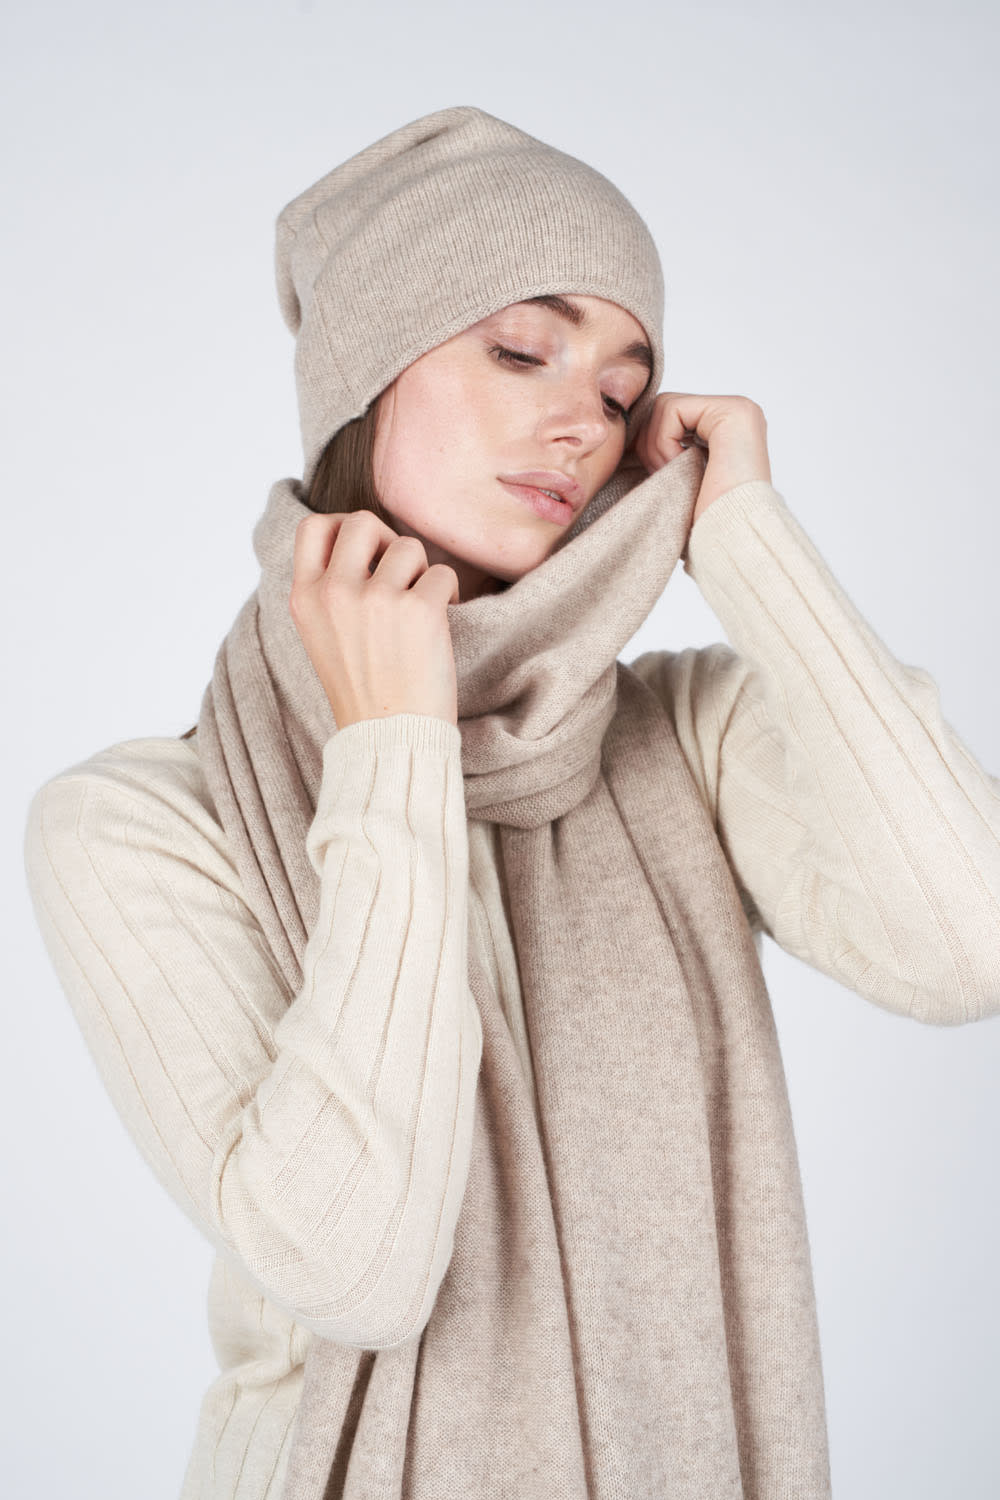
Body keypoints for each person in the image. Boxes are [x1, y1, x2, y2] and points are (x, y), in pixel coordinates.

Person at [22, 104, 1000, 1500]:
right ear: (368, 373)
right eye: (522, 349)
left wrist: (748, 539)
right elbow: (355, 1267)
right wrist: (394, 749)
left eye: (622, 392)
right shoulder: (141, 825)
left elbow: (970, 944)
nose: (579, 423)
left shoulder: (685, 739)